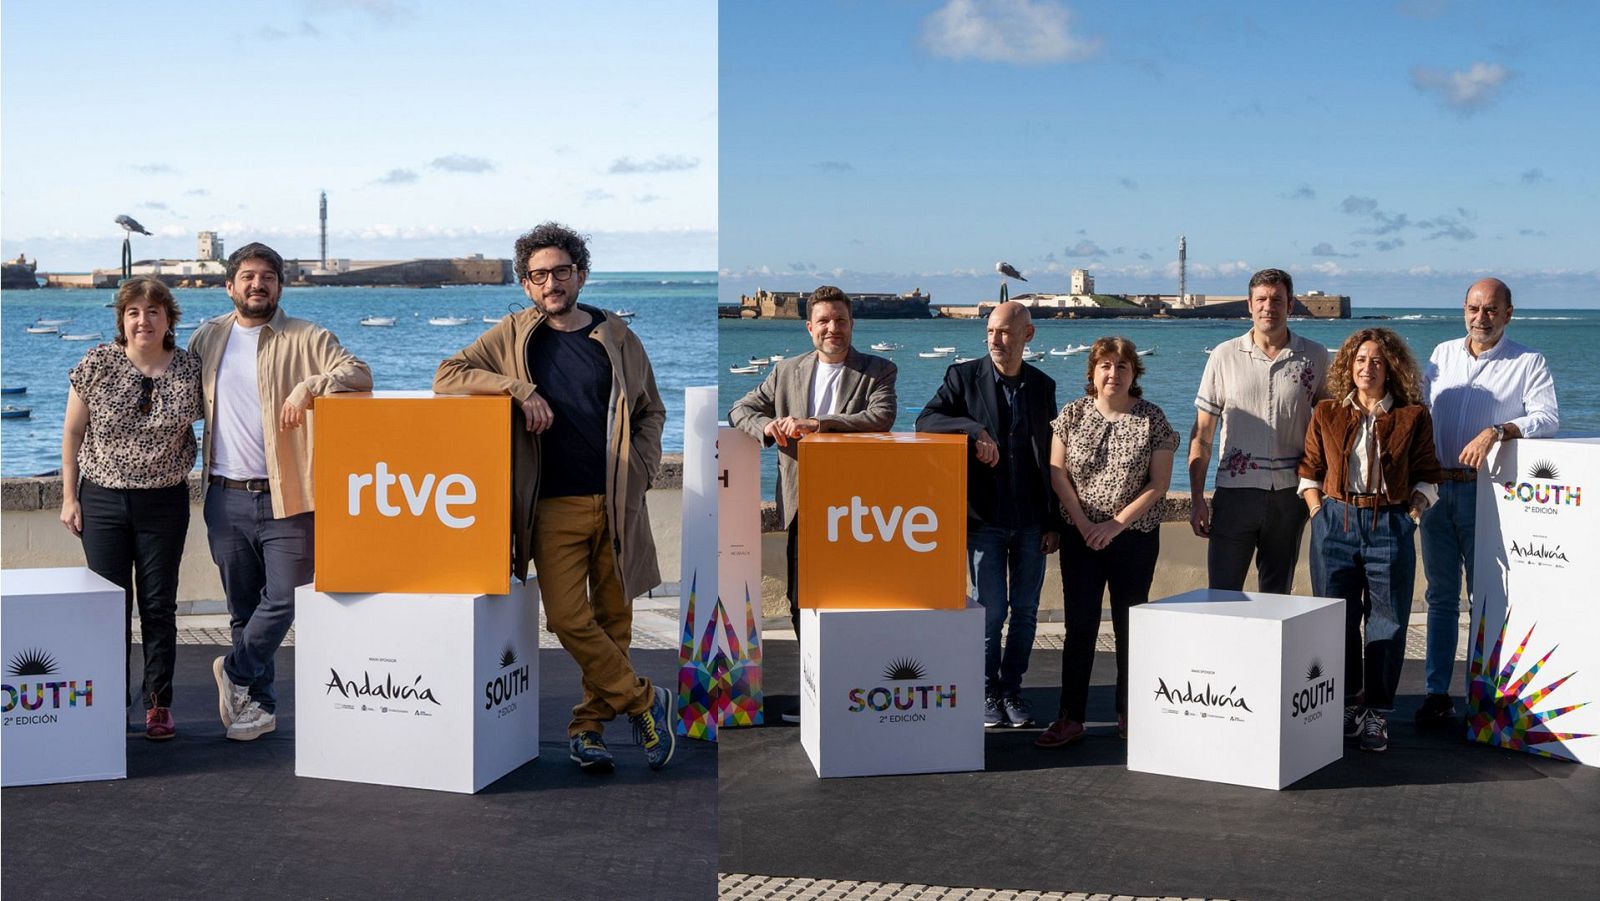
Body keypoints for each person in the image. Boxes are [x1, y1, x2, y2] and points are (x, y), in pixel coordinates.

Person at [434, 222, 674, 773]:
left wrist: (640, 469)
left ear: (580, 274)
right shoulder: (513, 335)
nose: (551, 283)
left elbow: (650, 410)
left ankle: (587, 729)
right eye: (538, 275)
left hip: (618, 501)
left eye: (560, 271)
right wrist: (518, 390)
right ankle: (644, 700)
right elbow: (447, 375)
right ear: (525, 284)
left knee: (614, 621)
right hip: (551, 507)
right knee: (567, 619)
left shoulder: (616, 335)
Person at [189, 243, 372, 742]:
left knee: (287, 597)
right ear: (229, 286)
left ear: (280, 286)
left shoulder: (308, 337)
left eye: (267, 277)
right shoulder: (207, 338)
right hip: (224, 494)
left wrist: (311, 385)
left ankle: (234, 671)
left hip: (287, 495)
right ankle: (258, 707)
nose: (258, 284)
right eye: (248, 276)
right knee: (242, 609)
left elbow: (359, 373)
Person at [727, 285, 897, 723]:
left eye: (840, 320)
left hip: (857, 511)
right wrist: (770, 428)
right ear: (809, 327)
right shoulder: (786, 371)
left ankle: (854, 689)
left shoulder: (879, 370)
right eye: (823, 321)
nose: (832, 328)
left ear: (851, 325)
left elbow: (880, 418)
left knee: (853, 603)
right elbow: (740, 410)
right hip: (803, 506)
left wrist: (817, 424)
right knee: (801, 600)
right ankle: (816, 693)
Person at [59, 276, 203, 741]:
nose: (144, 321)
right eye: (134, 312)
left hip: (164, 502)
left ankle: (158, 704)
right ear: (122, 320)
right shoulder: (97, 363)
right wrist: (69, 497)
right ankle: (108, 703)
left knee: (159, 606)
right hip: (102, 500)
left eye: (153, 311)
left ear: (169, 319)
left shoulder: (189, 369)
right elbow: (73, 434)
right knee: (109, 607)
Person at [1415, 278, 1559, 730]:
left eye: (1491, 310)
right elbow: (1419, 411)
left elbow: (1547, 417)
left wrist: (1498, 431)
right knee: (1440, 597)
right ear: (1464, 309)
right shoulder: (1442, 355)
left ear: (1508, 314)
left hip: (1487, 496)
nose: (1481, 318)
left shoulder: (1528, 362)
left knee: (1487, 597)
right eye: (1474, 309)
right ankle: (1437, 694)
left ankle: (1487, 698)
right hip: (1436, 492)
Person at [916, 301, 1061, 729]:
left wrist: (1054, 521)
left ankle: (1012, 689)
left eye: (1006, 332)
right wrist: (973, 429)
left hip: (1033, 520)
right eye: (991, 332)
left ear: (1027, 335)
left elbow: (1052, 457)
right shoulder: (962, 377)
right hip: (985, 520)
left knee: (1027, 611)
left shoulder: (1043, 385)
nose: (996, 340)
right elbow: (927, 420)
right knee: (990, 613)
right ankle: (986, 691)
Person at [1299, 328, 1443, 753]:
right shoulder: (1326, 411)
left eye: (1377, 360)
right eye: (1360, 359)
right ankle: (1347, 702)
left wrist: (1411, 516)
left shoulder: (1412, 415)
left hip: (1390, 523)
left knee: (1388, 621)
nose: (1368, 367)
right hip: (1334, 523)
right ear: (1349, 365)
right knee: (1335, 619)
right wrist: (1317, 512)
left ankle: (1377, 711)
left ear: (1390, 367)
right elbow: (1309, 468)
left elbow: (1428, 474)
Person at [1036, 337, 1177, 747]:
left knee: (1130, 626)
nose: (1113, 373)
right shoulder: (1072, 414)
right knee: (1080, 627)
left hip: (1134, 537)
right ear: (1092, 372)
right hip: (1080, 537)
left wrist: (1114, 525)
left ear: (1134, 374)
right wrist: (1083, 524)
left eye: (1122, 366)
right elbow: (1057, 472)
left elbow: (1159, 483)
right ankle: (1070, 717)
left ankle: (1131, 713)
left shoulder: (1152, 418)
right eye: (1105, 366)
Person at [1188, 268, 1329, 593]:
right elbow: (1203, 435)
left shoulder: (1315, 356)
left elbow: (1331, 430)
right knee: (1222, 594)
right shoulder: (1224, 356)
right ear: (1250, 305)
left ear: (1290, 305)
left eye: (1277, 300)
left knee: (1277, 597)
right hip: (1234, 494)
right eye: (1262, 299)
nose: (1269, 306)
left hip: (1290, 496)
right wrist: (1197, 499)